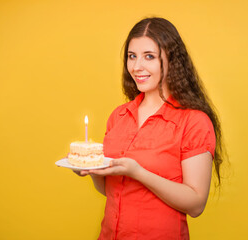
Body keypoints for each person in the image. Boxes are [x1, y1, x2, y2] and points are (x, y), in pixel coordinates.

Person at [74, 17, 225, 240]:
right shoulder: (119, 116)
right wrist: (92, 171)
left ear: (172, 61)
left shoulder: (194, 122)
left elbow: (195, 204)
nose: (136, 67)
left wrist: (138, 172)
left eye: (149, 57)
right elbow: (111, 190)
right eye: (132, 56)